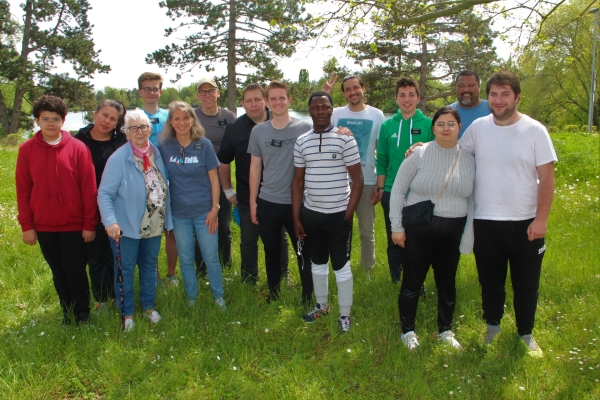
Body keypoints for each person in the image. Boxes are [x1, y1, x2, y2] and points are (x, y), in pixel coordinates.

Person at [460, 72, 556, 357]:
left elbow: (547, 178)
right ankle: (492, 326)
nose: (498, 100)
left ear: (516, 97)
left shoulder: (535, 131)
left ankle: (526, 333)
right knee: (490, 281)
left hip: (526, 223)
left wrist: (541, 220)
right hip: (486, 220)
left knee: (527, 284)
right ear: (487, 97)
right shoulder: (478, 128)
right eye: (494, 94)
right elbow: (453, 152)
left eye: (504, 94)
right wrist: (420, 148)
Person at [389, 106, 476, 350]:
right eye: (441, 124)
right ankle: (408, 331)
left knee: (447, 284)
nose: (446, 128)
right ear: (433, 128)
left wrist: (467, 236)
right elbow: (397, 190)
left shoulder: (469, 160)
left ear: (460, 127)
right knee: (412, 283)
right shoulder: (419, 154)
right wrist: (397, 227)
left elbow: (473, 201)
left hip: (452, 234)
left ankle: (445, 330)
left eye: (451, 123)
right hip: (418, 232)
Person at [16, 95, 97, 325]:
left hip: (74, 225)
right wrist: (27, 227)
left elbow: (89, 188)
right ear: (37, 121)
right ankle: (68, 315)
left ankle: (84, 315)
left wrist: (89, 224)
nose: (50, 123)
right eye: (45, 119)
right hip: (44, 225)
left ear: (63, 120)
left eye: (55, 119)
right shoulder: (26, 150)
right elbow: (23, 190)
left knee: (76, 272)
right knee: (59, 274)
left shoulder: (78, 148)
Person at [292, 91, 363, 333]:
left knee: (341, 266)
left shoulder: (345, 139)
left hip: (338, 215)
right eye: (315, 107)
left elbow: (357, 179)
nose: (320, 111)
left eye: (325, 107)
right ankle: (321, 306)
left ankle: (345, 315)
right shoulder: (301, 142)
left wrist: (348, 214)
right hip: (312, 215)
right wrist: (297, 217)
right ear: (309, 110)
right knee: (317, 263)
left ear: (332, 109)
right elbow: (298, 182)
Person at [98, 109, 173, 332]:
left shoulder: (156, 153)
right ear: (126, 132)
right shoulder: (118, 158)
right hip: (126, 227)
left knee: (150, 266)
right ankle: (127, 313)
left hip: (153, 225)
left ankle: (149, 307)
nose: (139, 132)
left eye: (143, 127)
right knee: (126, 270)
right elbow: (104, 194)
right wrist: (110, 222)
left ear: (150, 129)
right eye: (133, 128)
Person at [248, 80, 314, 303]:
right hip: (268, 201)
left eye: (281, 98)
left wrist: (344, 131)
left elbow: (327, 137)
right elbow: (255, 167)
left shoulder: (305, 128)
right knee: (271, 250)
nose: (277, 102)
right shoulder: (259, 131)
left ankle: (307, 294)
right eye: (273, 98)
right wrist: (253, 201)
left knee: (303, 251)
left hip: (299, 203)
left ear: (289, 100)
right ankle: (274, 293)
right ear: (267, 102)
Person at [217, 83, 290, 284]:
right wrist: (228, 190)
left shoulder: (281, 122)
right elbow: (223, 161)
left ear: (265, 100)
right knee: (249, 240)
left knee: (280, 239)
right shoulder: (235, 129)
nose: (254, 104)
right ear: (243, 104)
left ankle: (283, 275)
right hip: (247, 196)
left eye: (258, 99)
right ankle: (249, 278)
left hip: (279, 194)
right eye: (248, 101)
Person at [158, 101, 226, 309]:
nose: (181, 122)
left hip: (204, 212)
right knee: (186, 259)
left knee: (210, 257)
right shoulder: (165, 146)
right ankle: (192, 298)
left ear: (192, 120)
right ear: (170, 122)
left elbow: (214, 179)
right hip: (179, 214)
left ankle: (218, 297)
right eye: (176, 118)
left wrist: (215, 208)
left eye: (185, 118)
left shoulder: (203, 144)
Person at [322, 74, 385, 272]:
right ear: (343, 93)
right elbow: (320, 121)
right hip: (340, 182)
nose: (352, 92)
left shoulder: (377, 115)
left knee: (367, 230)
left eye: (355, 87)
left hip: (366, 181)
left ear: (363, 88)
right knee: (341, 229)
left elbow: (381, 151)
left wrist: (378, 182)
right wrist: (325, 94)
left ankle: (367, 270)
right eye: (347, 89)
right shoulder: (336, 113)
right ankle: (342, 268)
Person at [375, 77, 434, 283]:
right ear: (396, 98)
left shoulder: (429, 124)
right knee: (394, 237)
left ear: (418, 97)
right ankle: (396, 280)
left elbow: (438, 156)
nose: (406, 99)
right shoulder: (387, 126)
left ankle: (416, 280)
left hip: (420, 192)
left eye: (411, 95)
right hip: (391, 191)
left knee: (417, 240)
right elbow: (381, 159)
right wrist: (382, 188)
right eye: (402, 95)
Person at [74, 100, 127, 311]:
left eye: (113, 119)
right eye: (104, 115)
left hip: (118, 207)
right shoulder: (78, 141)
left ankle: (116, 295)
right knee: (96, 255)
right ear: (95, 113)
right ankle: (102, 299)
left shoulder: (121, 142)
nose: (107, 121)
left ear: (117, 123)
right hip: (89, 207)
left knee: (115, 254)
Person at [137, 72, 178, 287]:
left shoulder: (169, 116)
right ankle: (155, 276)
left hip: (170, 179)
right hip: (143, 181)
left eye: (155, 88)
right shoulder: (134, 117)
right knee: (149, 231)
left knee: (171, 230)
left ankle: (171, 274)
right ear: (140, 91)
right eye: (147, 88)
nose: (152, 92)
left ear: (160, 91)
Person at [193, 77, 236, 272]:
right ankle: (201, 269)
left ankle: (225, 265)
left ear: (218, 93)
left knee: (224, 227)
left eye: (211, 91)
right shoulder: (191, 116)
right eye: (203, 92)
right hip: (198, 181)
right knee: (200, 227)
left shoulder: (229, 116)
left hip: (222, 179)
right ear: (198, 95)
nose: (207, 95)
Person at [449, 70, 491, 138]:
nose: (466, 89)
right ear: (455, 87)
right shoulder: (446, 113)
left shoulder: (492, 108)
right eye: (461, 86)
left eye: (471, 85)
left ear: (479, 87)